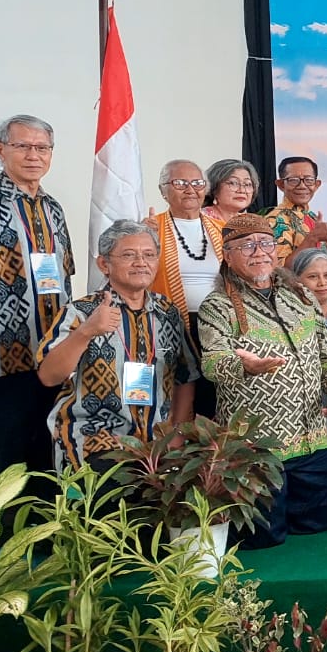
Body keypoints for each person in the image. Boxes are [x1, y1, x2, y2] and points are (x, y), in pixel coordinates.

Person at [196, 213, 327, 547]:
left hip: (313, 442)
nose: (259, 252)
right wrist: (244, 366)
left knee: (319, 531)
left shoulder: (301, 295)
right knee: (263, 541)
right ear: (227, 255)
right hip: (256, 449)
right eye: (246, 245)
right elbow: (211, 363)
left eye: (265, 243)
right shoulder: (217, 306)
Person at [0, 114, 74, 479]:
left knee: (49, 459)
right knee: (4, 463)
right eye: (23, 146)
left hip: (53, 353)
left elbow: (64, 275)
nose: (34, 155)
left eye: (42, 148)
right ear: (0, 150)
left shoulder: (53, 208)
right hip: (4, 356)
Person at [38, 220, 199, 472]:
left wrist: (176, 433)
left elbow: (186, 376)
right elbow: (48, 376)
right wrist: (86, 332)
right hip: (95, 442)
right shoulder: (81, 312)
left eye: (149, 255)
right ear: (104, 264)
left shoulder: (168, 312)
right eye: (128, 255)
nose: (141, 262)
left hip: (156, 445)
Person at [150, 159, 223, 320]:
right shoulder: (151, 228)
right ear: (163, 190)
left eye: (197, 183)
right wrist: (143, 237)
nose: (190, 190)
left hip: (217, 320)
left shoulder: (222, 229)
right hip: (164, 319)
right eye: (180, 183)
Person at [265, 156, 327, 265]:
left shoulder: (313, 217)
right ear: (281, 185)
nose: (302, 186)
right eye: (293, 180)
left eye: (309, 180)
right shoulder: (275, 220)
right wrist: (312, 238)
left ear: (316, 185)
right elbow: (278, 270)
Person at [202, 159, 259, 224]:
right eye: (233, 183)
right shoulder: (199, 220)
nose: (242, 190)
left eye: (247, 184)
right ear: (214, 188)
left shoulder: (249, 224)